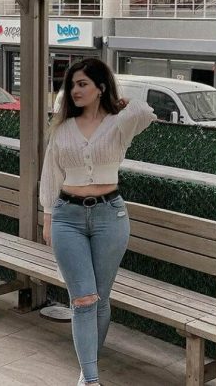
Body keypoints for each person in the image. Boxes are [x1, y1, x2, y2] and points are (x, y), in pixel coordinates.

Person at [39, 58, 157, 386]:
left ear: (100, 87)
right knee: (83, 299)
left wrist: (122, 101)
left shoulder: (118, 124)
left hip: (110, 217)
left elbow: (146, 112)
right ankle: (91, 380)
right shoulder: (61, 128)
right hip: (67, 218)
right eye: (71, 85)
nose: (75, 91)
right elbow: (51, 173)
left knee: (100, 299)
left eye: (83, 84)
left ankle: (86, 369)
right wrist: (47, 217)